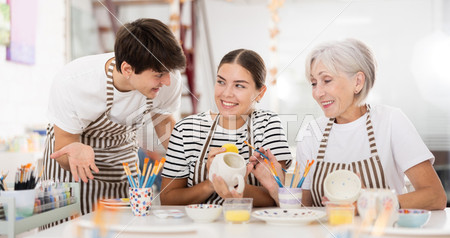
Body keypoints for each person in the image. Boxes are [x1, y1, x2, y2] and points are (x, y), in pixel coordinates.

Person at [258, 38, 446, 210]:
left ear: (357, 82)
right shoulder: (312, 132)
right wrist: (276, 187)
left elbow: (435, 196)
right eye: (314, 83)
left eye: (327, 80)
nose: (317, 93)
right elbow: (304, 208)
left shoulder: (390, 121)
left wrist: (369, 204)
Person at [42, 18, 186, 215]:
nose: (168, 81)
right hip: (74, 172)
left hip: (122, 164)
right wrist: (74, 152)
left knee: (122, 233)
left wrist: (188, 158)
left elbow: (164, 123)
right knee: (72, 237)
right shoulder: (74, 82)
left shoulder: (168, 78)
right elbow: (63, 147)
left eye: (169, 73)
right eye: (159, 75)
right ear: (127, 69)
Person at [160, 49, 292, 206]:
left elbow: (277, 197)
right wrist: (211, 184)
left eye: (239, 86)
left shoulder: (267, 125)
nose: (227, 93)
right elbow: (167, 198)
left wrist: (235, 187)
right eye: (221, 82)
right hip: (198, 227)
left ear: (260, 93)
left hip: (252, 227)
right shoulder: (185, 129)